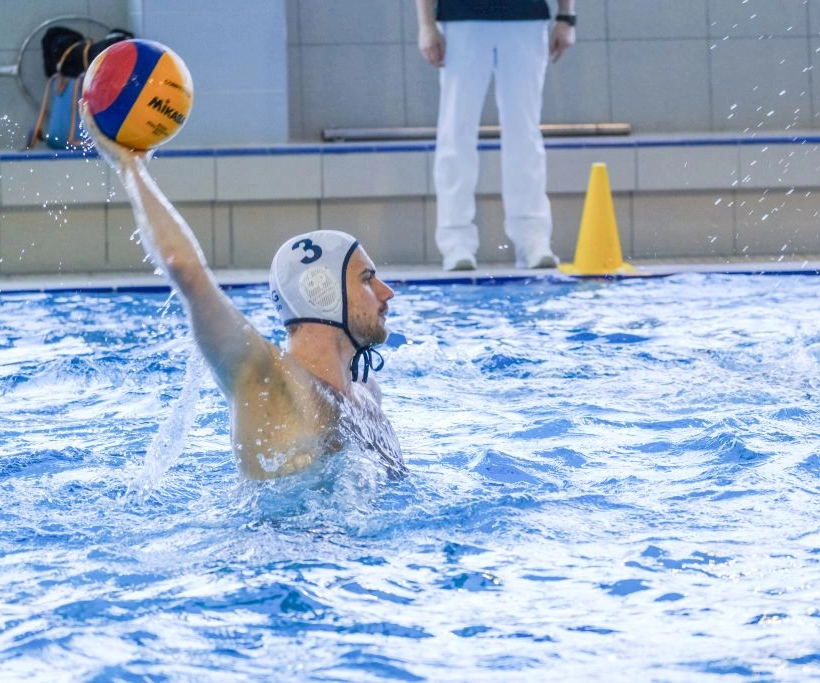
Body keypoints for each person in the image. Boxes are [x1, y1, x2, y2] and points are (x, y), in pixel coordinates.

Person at [79, 103, 406, 480]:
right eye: (367, 279)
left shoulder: (365, 393)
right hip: (281, 540)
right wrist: (130, 166)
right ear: (323, 293)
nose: (386, 292)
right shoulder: (268, 380)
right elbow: (187, 271)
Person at [416, 0, 577, 271]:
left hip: (526, 17)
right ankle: (456, 241)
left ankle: (533, 239)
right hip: (460, 19)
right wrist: (426, 24)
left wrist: (566, 16)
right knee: (456, 133)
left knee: (525, 134)